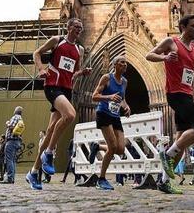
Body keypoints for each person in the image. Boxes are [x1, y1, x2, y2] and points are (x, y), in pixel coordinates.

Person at [146, 13, 194, 194]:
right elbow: (149, 55)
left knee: (181, 140)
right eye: (193, 26)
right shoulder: (171, 42)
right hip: (176, 94)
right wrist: (164, 58)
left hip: (187, 95)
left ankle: (163, 181)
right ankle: (167, 155)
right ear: (183, 27)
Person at [25, 18, 91, 190]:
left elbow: (73, 72)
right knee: (70, 115)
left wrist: (82, 72)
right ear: (68, 27)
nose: (79, 29)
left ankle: (33, 172)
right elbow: (36, 53)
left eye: (81, 28)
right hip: (52, 86)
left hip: (66, 90)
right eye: (76, 26)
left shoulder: (80, 49)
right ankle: (49, 153)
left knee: (50, 131)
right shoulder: (57, 40)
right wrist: (40, 69)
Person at [91, 55, 131, 190]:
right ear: (115, 65)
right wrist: (109, 97)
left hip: (115, 116)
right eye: (121, 62)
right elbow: (94, 96)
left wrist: (126, 106)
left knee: (120, 149)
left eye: (126, 63)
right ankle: (101, 179)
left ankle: (97, 147)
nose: (125, 65)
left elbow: (122, 99)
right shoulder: (107, 78)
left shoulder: (124, 82)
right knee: (112, 147)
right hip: (103, 113)